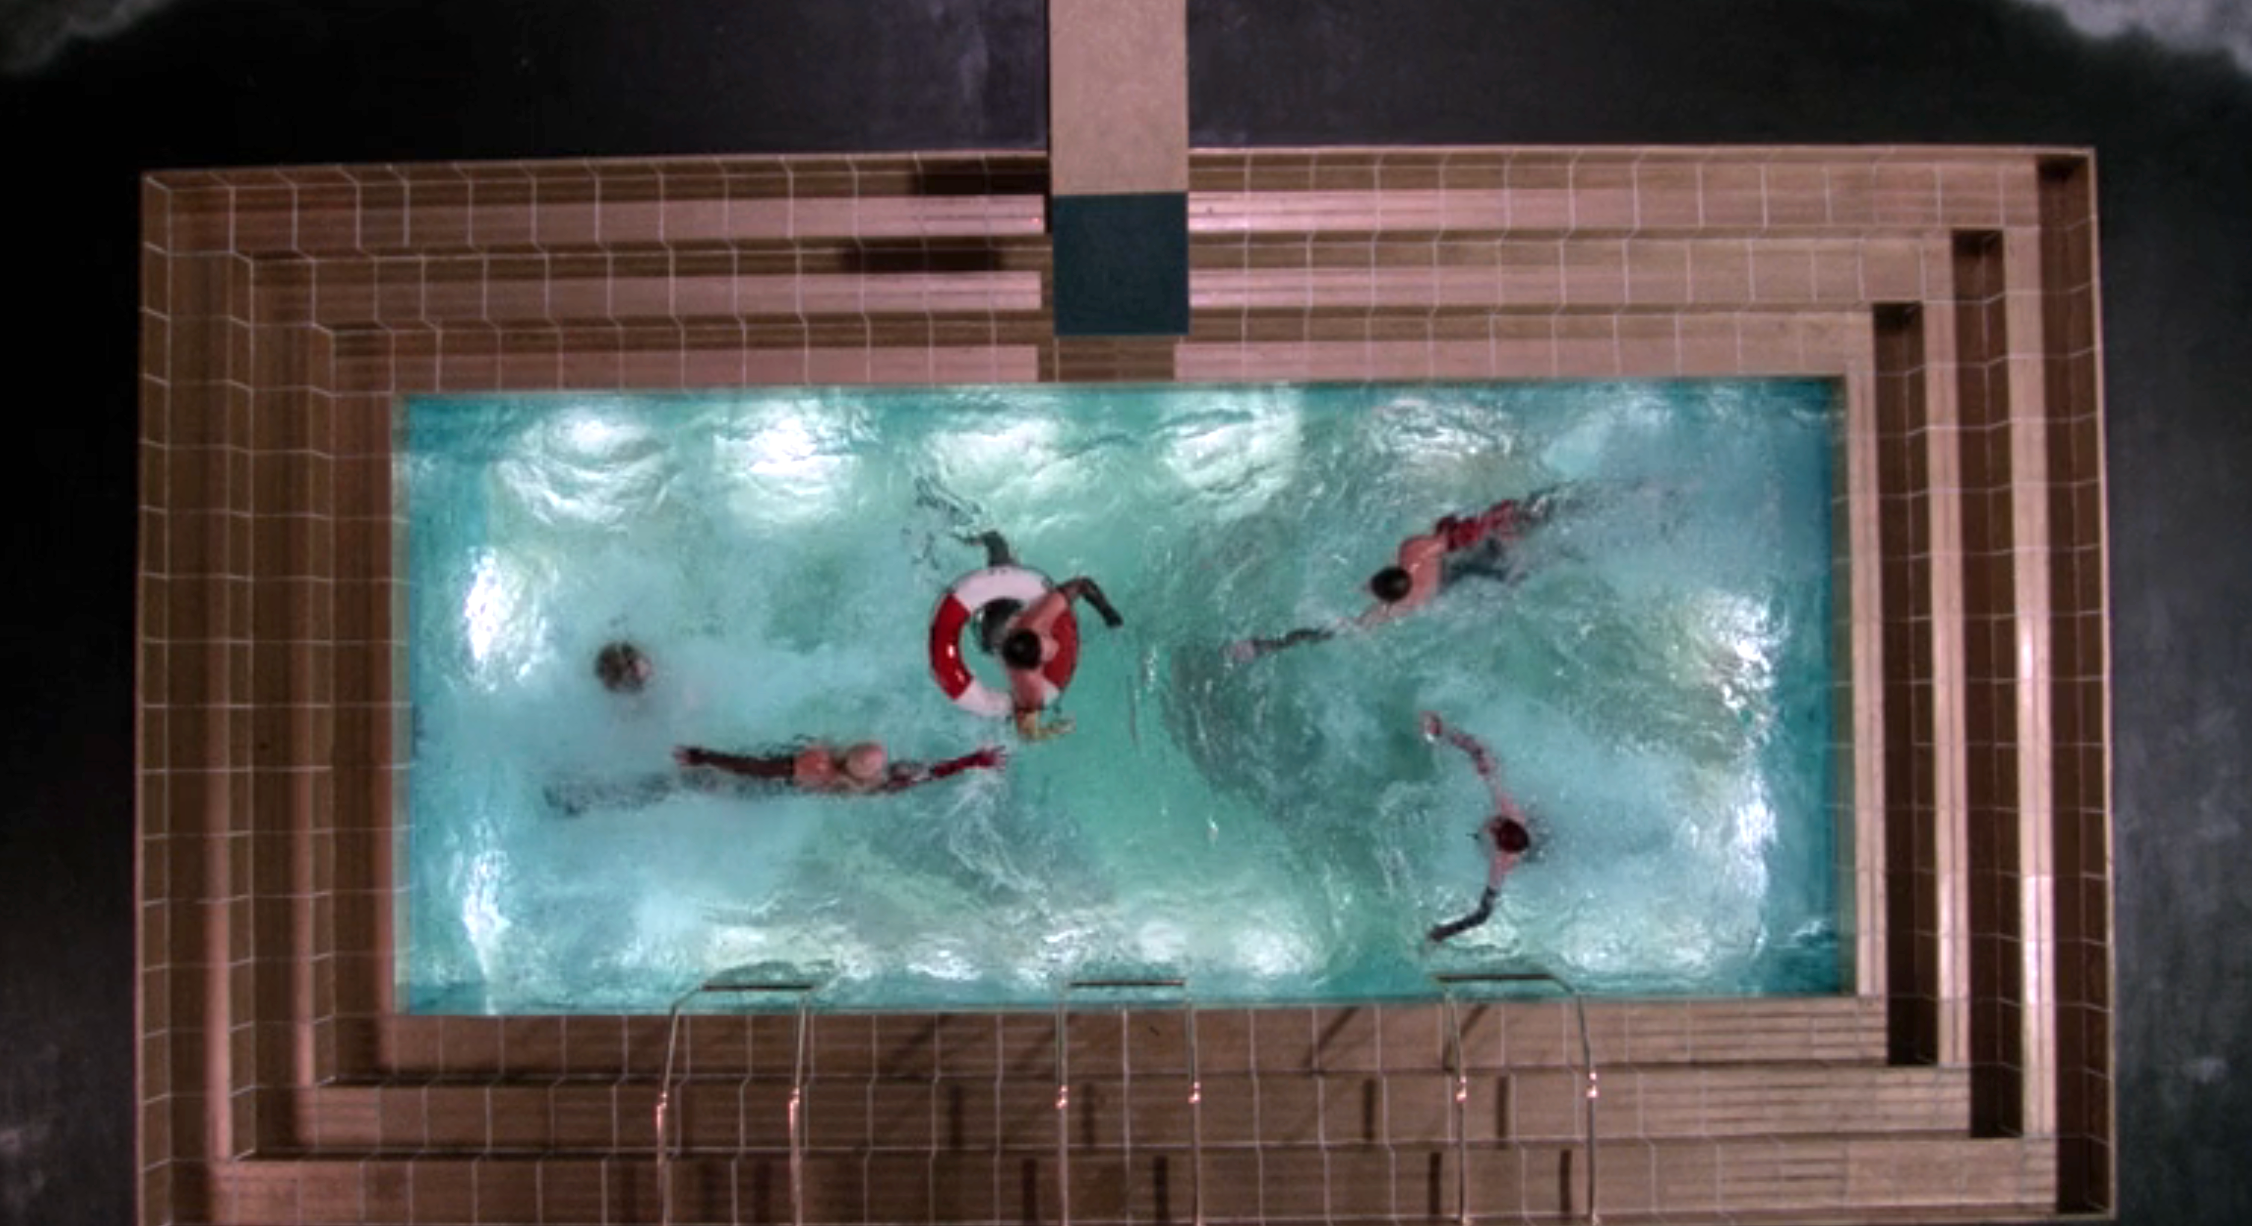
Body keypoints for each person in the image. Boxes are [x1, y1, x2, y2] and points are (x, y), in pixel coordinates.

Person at [1226, 487, 1569, 662]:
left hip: (1487, 573)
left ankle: (1546, 559)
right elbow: (1460, 533)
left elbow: (1327, 634)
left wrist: (1267, 645)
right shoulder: (1415, 550)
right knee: (1533, 515)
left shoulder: (1400, 608)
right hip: (1484, 550)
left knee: (1529, 564)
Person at [962, 531, 1124, 741]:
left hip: (1002, 630)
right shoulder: (1029, 684)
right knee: (998, 544)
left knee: (999, 549)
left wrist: (1109, 613)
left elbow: (1083, 585)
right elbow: (1028, 732)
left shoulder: (1035, 622)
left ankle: (972, 543)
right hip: (997, 626)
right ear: (1038, 664)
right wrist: (1054, 730)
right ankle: (979, 543)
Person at [1418, 711, 1533, 944]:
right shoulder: (1507, 808)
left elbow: (1483, 913)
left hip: (1532, 853)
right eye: (1497, 822)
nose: (1492, 822)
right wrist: (1443, 731)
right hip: (1528, 833)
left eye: (1493, 828)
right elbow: (1479, 751)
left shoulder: (1500, 864)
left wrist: (1443, 932)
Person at [673, 740, 1008, 795]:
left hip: (775, 783)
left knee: (708, 786)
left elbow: (755, 767)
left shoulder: (817, 762)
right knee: (709, 786)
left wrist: (704, 755)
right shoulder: (875, 786)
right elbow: (930, 773)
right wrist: (973, 761)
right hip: (779, 783)